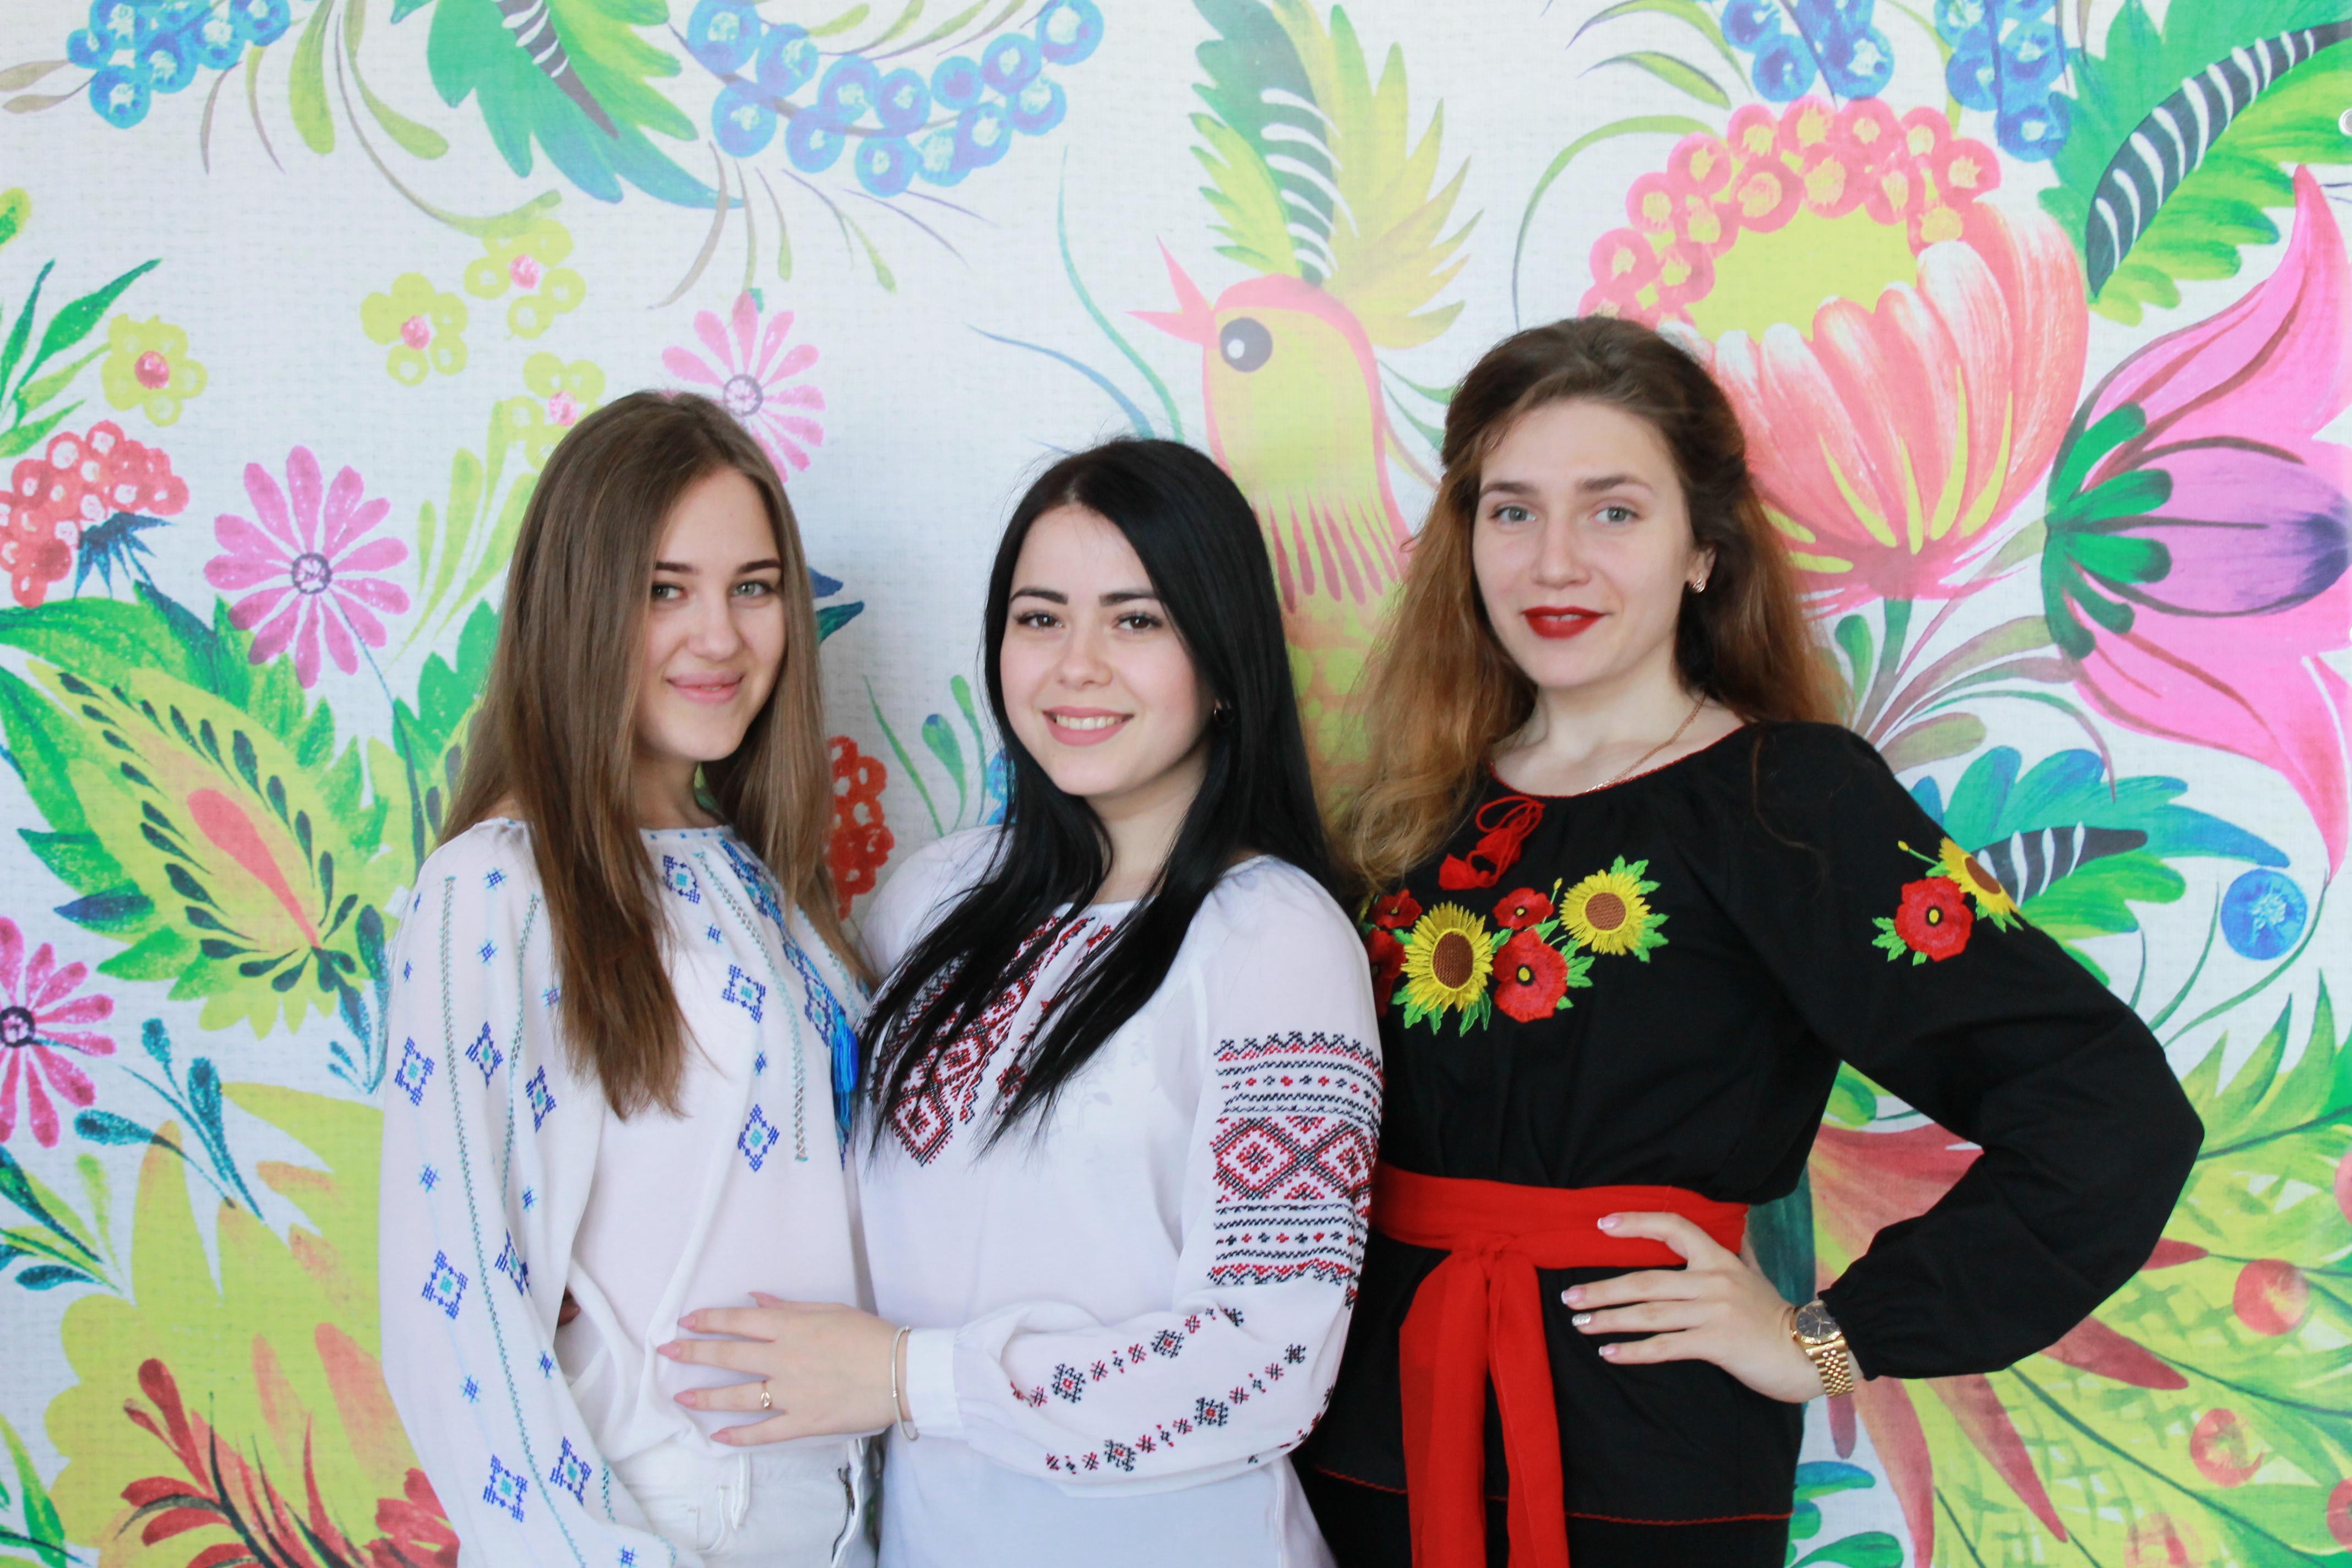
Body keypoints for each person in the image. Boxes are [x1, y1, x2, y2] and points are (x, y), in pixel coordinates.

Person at [1290, 318, 2203, 1567]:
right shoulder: (1413, 812)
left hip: (1647, 1471)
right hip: (1369, 1443)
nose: (1555, 560)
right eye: (1513, 511)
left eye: (1614, 511)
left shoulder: (1791, 805)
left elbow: (2107, 1109)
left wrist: (1822, 1340)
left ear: (1704, 551)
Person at [655, 438, 1382, 1567]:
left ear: (1225, 662)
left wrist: (911, 1377)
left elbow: (1268, 1363)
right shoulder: (930, 901)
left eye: (1137, 621)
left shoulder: (1275, 937)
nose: (1076, 666)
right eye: (1040, 618)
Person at [377, 392, 874, 1566]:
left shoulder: (771, 879)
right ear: (580, 603)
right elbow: (457, 1297)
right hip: (656, 1515)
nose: (720, 637)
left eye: (754, 587)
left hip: (843, 1513)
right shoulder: (495, 886)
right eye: (664, 589)